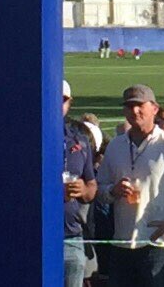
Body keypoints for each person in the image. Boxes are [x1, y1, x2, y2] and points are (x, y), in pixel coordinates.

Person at [96, 84, 164, 286]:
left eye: (140, 105)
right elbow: (100, 188)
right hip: (122, 243)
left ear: (154, 109)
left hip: (157, 244)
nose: (135, 110)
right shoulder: (115, 145)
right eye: (129, 106)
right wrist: (113, 191)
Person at [63, 80, 97, 287]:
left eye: (63, 100)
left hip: (71, 236)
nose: (58, 104)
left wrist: (84, 190)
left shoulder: (79, 140)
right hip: (36, 234)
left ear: (70, 102)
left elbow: (91, 186)